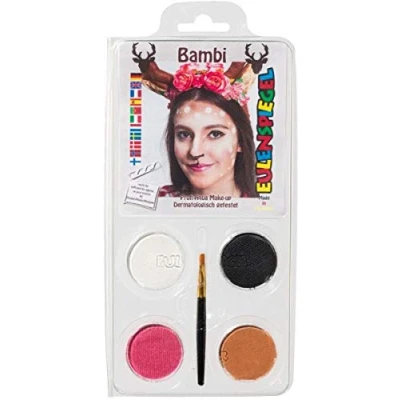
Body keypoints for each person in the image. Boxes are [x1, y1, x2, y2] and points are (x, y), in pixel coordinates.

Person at [132, 44, 264, 197]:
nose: (195, 151)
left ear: (240, 141)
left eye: (215, 134)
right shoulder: (152, 203)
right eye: (184, 134)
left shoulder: (265, 207)